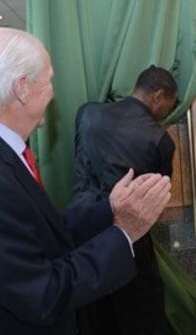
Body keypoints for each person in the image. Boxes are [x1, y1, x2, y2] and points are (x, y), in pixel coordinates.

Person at [0, 28, 171, 335]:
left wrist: (109, 208)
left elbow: (41, 237)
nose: (53, 92)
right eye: (49, 80)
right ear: (23, 88)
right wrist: (125, 233)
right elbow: (42, 294)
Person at [74, 65, 178, 334]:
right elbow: (158, 195)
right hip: (128, 234)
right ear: (157, 96)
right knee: (140, 312)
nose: (167, 111)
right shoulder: (159, 139)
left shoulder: (87, 113)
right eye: (169, 103)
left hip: (82, 227)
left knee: (95, 310)